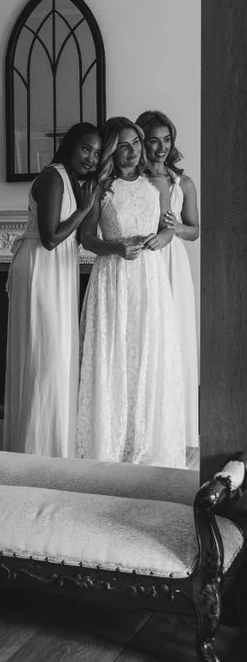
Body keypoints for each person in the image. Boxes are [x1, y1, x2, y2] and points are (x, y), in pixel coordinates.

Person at [76, 117, 189, 466]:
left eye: (136, 143)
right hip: (114, 275)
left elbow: (168, 228)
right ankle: (111, 440)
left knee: (147, 351)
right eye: (123, 145)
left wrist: (161, 239)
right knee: (115, 352)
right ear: (112, 150)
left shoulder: (157, 184)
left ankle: (145, 439)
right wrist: (116, 249)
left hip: (150, 277)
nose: (132, 151)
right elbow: (86, 237)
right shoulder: (101, 187)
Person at [5, 121, 102, 458]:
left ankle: (55, 441)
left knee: (58, 351)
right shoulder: (52, 177)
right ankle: (36, 447)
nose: (91, 158)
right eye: (86, 149)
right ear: (70, 146)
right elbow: (50, 238)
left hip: (59, 267)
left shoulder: (74, 181)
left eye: (97, 153)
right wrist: (84, 209)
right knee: (45, 352)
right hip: (41, 267)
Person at [138, 109, 200, 460]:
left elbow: (194, 230)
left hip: (173, 263)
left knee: (175, 338)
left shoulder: (183, 183)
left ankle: (178, 428)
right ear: (141, 142)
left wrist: (176, 229)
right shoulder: (132, 180)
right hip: (144, 261)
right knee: (147, 338)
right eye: (153, 140)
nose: (161, 147)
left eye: (167, 140)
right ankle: (145, 426)